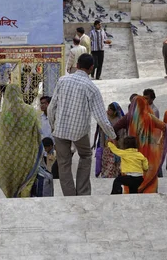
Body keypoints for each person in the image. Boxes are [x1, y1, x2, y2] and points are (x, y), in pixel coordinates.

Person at [48, 53, 116, 196]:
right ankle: (83, 191)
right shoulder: (91, 88)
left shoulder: (62, 80)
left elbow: (51, 107)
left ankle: (69, 194)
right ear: (91, 68)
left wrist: (53, 125)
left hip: (60, 129)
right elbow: (101, 117)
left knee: (63, 162)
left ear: (77, 65)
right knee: (85, 156)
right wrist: (112, 136)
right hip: (79, 131)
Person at [112, 95, 167, 193]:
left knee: (131, 173)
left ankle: (132, 191)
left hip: (132, 153)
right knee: (147, 173)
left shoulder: (129, 117)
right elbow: (166, 128)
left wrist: (116, 141)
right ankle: (148, 191)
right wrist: (158, 142)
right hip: (148, 153)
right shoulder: (150, 117)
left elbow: (115, 128)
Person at [0, 84, 42, 197]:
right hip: (27, 153)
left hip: (11, 155)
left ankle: (14, 200)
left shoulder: (6, 114)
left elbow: (3, 136)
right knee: (27, 180)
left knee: (13, 181)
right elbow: (38, 131)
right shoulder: (30, 111)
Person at [94, 102, 125, 179]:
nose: (107, 111)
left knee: (116, 167)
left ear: (115, 112)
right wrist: (102, 147)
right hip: (107, 148)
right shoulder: (105, 119)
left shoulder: (120, 121)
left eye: (110, 110)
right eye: (108, 109)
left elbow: (122, 135)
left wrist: (119, 147)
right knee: (106, 167)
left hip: (117, 147)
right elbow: (101, 134)